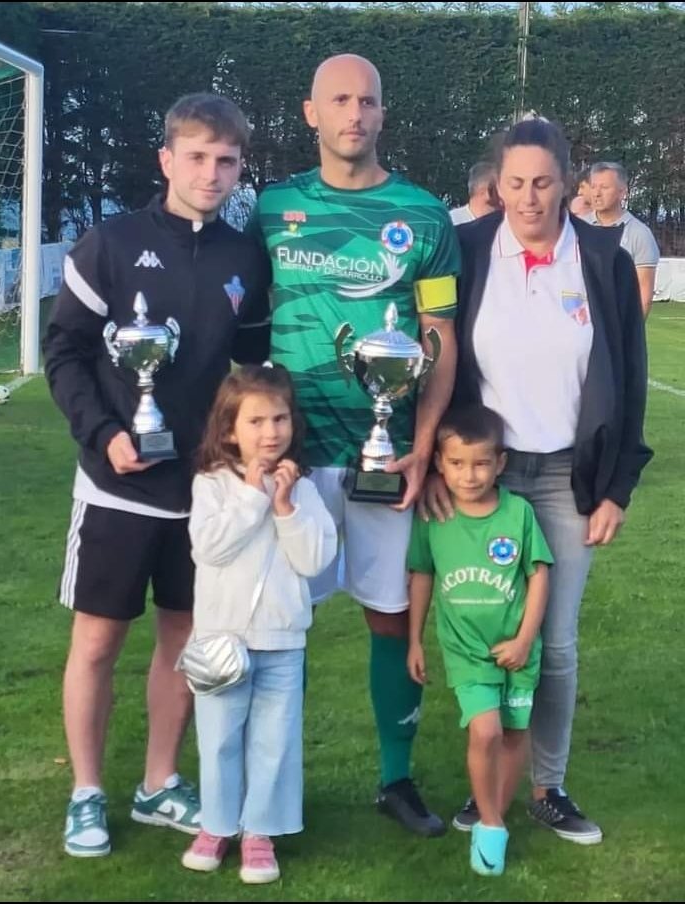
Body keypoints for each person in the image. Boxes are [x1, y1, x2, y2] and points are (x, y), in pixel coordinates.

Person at [43, 92, 272, 858]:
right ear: (167, 158)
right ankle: (85, 793)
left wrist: (257, 447)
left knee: (184, 640)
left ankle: (157, 784)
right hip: (118, 486)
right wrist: (104, 433)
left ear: (241, 169)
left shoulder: (246, 257)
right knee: (100, 642)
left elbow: (252, 369)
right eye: (198, 157)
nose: (212, 173)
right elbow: (65, 352)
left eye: (227, 161)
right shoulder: (108, 243)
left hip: (203, 492)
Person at [249, 53, 460, 837]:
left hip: (388, 456)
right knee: (276, 623)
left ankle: (396, 780)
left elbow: (441, 336)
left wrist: (426, 444)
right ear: (311, 112)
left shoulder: (424, 216)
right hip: (292, 459)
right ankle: (270, 787)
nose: (354, 113)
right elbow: (240, 323)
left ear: (382, 113)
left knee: (390, 616)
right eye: (339, 99)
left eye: (367, 100)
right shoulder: (271, 210)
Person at [427, 117, 652, 845]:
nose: (529, 199)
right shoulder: (462, 250)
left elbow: (630, 375)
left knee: (552, 645)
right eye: (516, 183)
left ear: (569, 183)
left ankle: (547, 785)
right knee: (482, 635)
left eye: (544, 182)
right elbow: (435, 360)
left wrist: (617, 486)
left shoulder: (603, 259)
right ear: (498, 182)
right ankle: (485, 784)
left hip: (566, 479)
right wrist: (434, 458)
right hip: (481, 480)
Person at [180, 364, 337, 884]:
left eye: (280, 419)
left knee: (274, 739)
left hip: (281, 640)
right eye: (256, 421)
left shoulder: (305, 489)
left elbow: (315, 560)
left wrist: (286, 506)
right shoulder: (212, 485)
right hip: (221, 641)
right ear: (229, 428)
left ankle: (260, 832)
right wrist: (252, 495)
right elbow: (210, 547)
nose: (270, 432)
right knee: (220, 736)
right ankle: (217, 823)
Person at [407, 405, 552, 876]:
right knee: (485, 730)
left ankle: (495, 808)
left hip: (517, 650)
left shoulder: (519, 513)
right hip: (467, 651)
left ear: (501, 463)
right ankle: (490, 825)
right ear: (440, 465)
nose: (469, 476)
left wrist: (526, 639)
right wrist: (415, 641)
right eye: (456, 464)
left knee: (513, 734)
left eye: (481, 463)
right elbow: (422, 576)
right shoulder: (435, 516)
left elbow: (538, 576)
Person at [587, 161, 660, 318]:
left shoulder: (639, 234)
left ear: (622, 193)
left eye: (604, 187)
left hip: (616, 328)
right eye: (593, 187)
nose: (596, 193)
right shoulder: (576, 228)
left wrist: (627, 336)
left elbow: (644, 296)